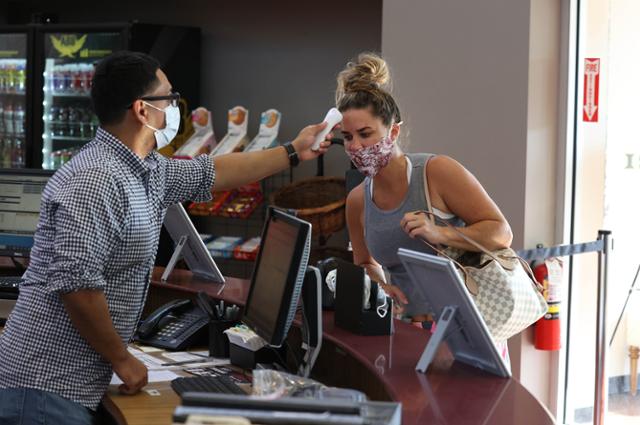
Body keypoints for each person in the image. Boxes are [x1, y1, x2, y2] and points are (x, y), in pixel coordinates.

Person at [0, 51, 330, 424]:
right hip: (43, 387)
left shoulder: (145, 168)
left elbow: (213, 173)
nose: (175, 106)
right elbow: (78, 286)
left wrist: (292, 152)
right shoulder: (95, 179)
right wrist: (122, 358)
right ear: (143, 110)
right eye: (169, 97)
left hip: (67, 386)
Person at [337, 53, 513, 357]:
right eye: (347, 137)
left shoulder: (436, 173)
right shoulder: (357, 200)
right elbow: (366, 263)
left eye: (366, 134)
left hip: (465, 330)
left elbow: (501, 232)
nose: (355, 146)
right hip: (405, 331)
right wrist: (379, 286)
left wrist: (441, 234)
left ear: (393, 131)